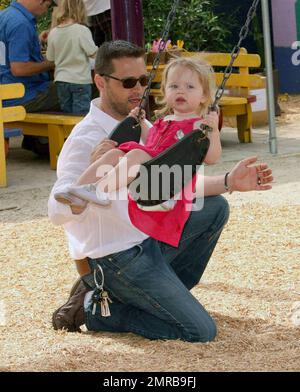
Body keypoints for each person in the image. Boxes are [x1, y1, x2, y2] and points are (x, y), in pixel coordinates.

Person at [48, 40, 273, 341]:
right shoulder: (85, 138)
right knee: (200, 330)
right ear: (100, 81)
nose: (138, 89)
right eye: (128, 82)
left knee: (215, 207)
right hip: (114, 256)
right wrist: (88, 183)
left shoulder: (146, 125)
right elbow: (56, 210)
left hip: (146, 237)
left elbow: (173, 184)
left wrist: (231, 181)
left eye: (144, 80)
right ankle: (100, 309)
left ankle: (150, 298)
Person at [53, 56, 222, 246]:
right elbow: (154, 142)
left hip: (169, 181)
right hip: (152, 171)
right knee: (115, 153)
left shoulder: (199, 125)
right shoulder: (164, 121)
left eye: (190, 87)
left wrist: (213, 130)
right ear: (165, 92)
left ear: (205, 96)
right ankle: (80, 190)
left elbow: (212, 158)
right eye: (174, 86)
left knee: (136, 154)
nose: (181, 91)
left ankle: (99, 190)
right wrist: (141, 123)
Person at [0, 0, 61, 154]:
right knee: (75, 88)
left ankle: (37, 140)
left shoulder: (6, 15)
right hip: (22, 96)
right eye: (47, 4)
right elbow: (19, 69)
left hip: (6, 93)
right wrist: (53, 63)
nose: (47, 8)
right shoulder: (21, 24)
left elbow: (6, 58)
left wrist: (37, 42)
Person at [46, 0, 98, 115]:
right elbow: (93, 53)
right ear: (81, 10)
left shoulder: (53, 33)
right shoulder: (81, 30)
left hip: (61, 80)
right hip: (80, 80)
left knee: (66, 113)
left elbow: (50, 58)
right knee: (81, 115)